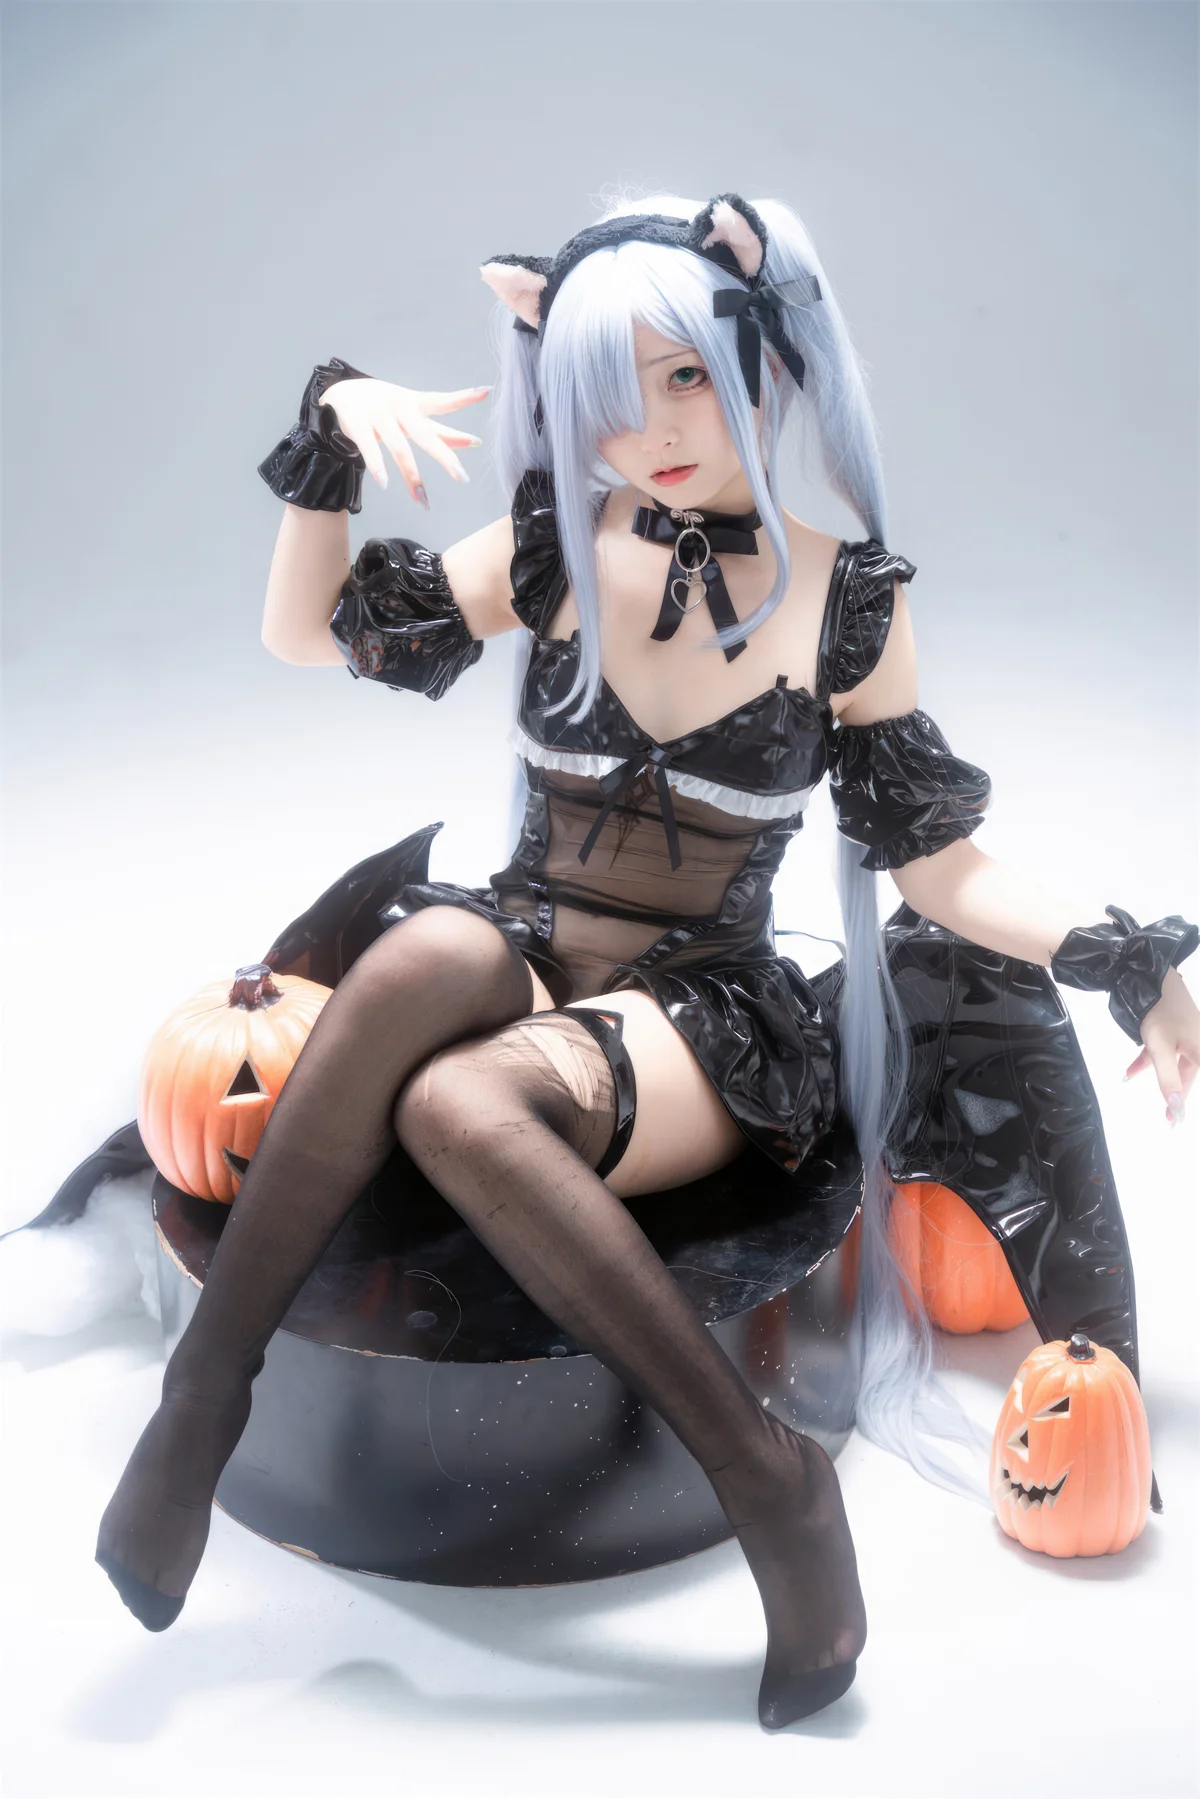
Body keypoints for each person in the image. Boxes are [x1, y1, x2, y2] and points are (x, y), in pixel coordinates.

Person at [94, 191, 1199, 1730]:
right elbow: (306, 632)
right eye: (612, 395)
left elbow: (938, 866)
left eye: (689, 377)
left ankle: (772, 1483)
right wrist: (328, 440)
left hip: (700, 1009)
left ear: (771, 363)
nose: (656, 429)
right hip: (528, 937)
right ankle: (201, 1404)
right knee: (413, 967)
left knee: (458, 1103)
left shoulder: (844, 600)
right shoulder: (558, 549)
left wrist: (1123, 954)